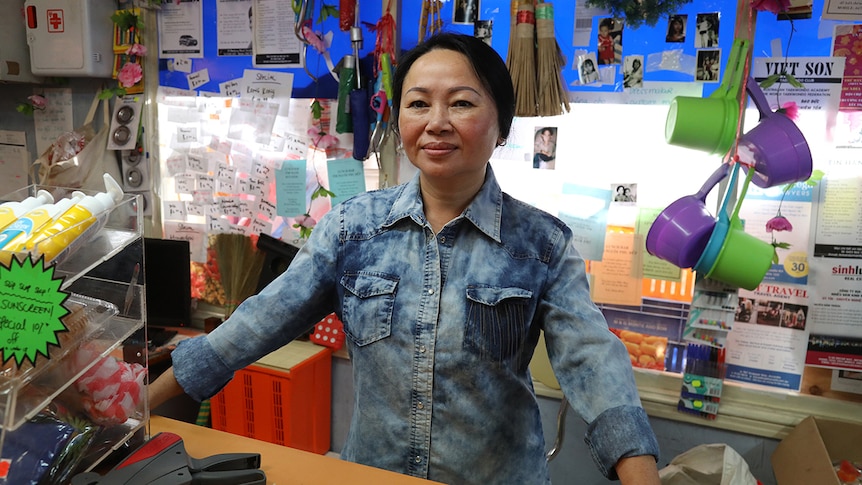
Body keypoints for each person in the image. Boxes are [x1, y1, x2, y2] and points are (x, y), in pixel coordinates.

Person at [149, 32, 660, 485]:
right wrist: (138, 408)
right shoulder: (353, 228)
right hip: (373, 473)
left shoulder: (542, 243)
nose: (436, 123)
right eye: (418, 104)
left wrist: (641, 475)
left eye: (461, 103)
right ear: (399, 121)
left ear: (501, 125)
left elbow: (593, 360)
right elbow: (261, 320)